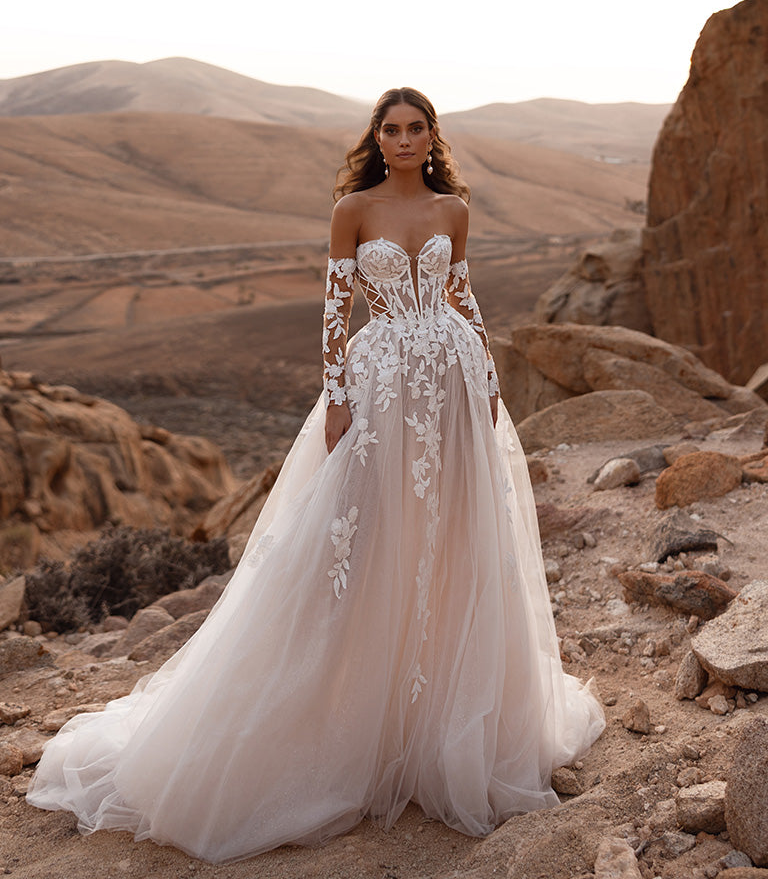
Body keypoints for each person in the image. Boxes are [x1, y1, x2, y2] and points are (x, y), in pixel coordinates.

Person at [27, 88, 604, 862]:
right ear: (378, 138)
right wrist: (336, 396)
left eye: (416, 128)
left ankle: (446, 716)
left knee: (456, 537)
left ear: (432, 137)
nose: (404, 139)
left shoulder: (453, 210)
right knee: (362, 541)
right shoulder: (353, 210)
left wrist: (490, 372)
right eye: (392, 129)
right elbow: (335, 309)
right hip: (383, 382)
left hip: (453, 378)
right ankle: (350, 719)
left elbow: (461, 294)